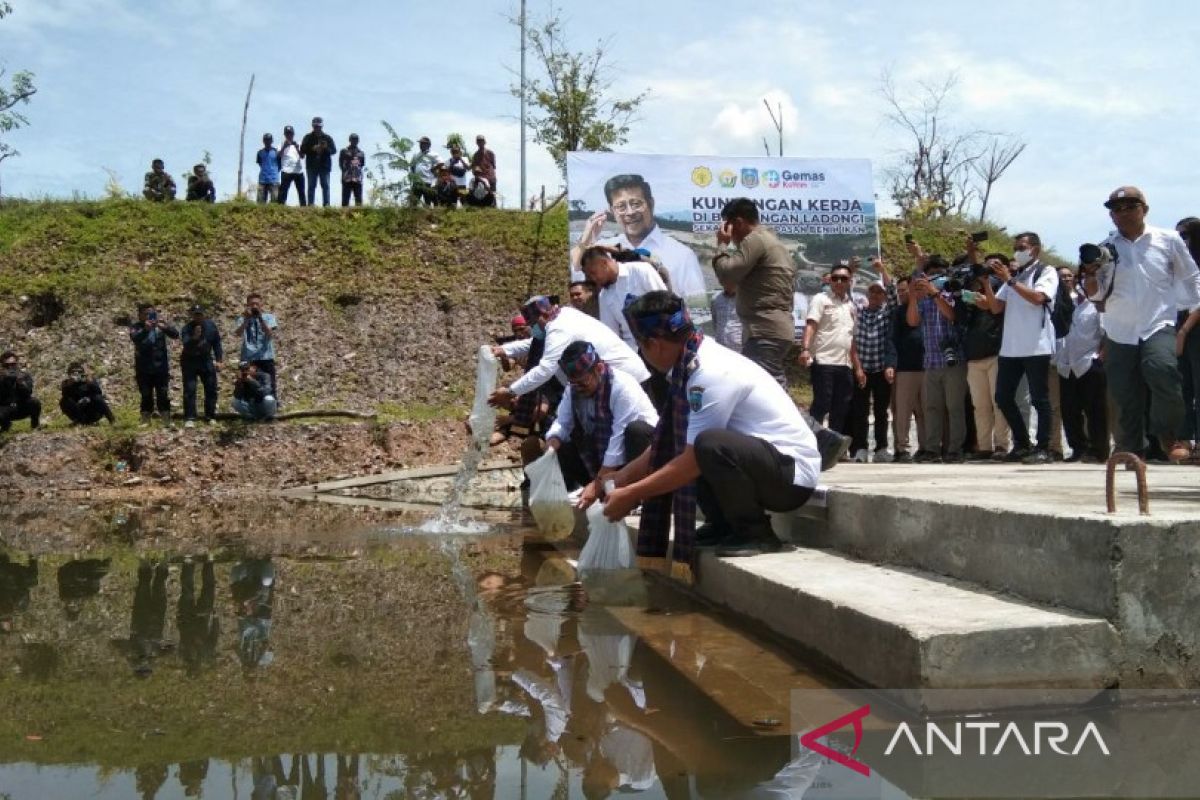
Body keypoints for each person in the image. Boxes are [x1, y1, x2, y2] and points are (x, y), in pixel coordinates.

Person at [600, 291, 821, 560]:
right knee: (695, 440)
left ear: (655, 344)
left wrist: (633, 494)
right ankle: (722, 523)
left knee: (709, 444)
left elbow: (691, 462)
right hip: (764, 463)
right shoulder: (689, 363)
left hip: (790, 477)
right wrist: (622, 478)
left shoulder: (709, 372)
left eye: (641, 346)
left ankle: (755, 532)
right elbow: (666, 444)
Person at [1084, 186, 1200, 463]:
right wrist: (1090, 273)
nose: (1123, 213)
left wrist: (1193, 307)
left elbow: (1191, 276)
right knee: (1124, 393)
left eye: (1130, 206)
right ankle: (1130, 447)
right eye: (1116, 209)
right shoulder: (1106, 249)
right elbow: (1097, 295)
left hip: (1158, 322)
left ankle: (1168, 434)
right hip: (1119, 328)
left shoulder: (1168, 239)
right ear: (1111, 216)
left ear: (1144, 209)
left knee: (1163, 370)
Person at [977, 232, 1059, 464]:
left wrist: (1009, 280)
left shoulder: (1046, 271)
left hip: (1036, 346)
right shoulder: (1016, 275)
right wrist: (986, 283)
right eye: (1015, 247)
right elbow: (995, 308)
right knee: (1002, 397)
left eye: (1021, 247)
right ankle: (1022, 444)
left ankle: (1043, 448)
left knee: (1039, 399)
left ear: (1035, 249)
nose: (1017, 251)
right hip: (1011, 348)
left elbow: (1037, 298)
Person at [488, 295, 649, 412]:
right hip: (607, 380)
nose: (533, 329)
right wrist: (505, 350)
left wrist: (511, 392)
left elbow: (545, 369)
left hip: (626, 380)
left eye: (533, 324)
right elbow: (538, 342)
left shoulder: (559, 328)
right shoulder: (564, 314)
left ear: (543, 315)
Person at [544, 341, 659, 497]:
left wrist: (598, 484)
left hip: (640, 454)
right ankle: (592, 491)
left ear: (599, 368)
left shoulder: (622, 387)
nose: (577, 388)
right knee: (560, 444)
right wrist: (551, 447)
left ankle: (638, 495)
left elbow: (617, 441)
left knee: (635, 431)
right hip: (601, 457)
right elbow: (562, 424)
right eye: (573, 383)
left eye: (583, 382)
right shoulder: (573, 390)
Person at [570, 174, 707, 303]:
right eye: (621, 207)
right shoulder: (604, 250)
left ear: (651, 204)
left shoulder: (682, 255)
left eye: (636, 204)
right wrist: (586, 240)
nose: (630, 212)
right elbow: (577, 277)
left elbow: (698, 308)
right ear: (612, 211)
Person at [712, 197, 796, 386]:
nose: (728, 234)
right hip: (773, 329)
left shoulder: (755, 239)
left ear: (738, 223)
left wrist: (722, 245)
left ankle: (791, 416)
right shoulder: (773, 242)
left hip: (764, 330)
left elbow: (727, 274)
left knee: (765, 390)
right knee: (767, 386)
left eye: (728, 226)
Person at [907, 255, 967, 462]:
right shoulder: (923, 300)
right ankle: (932, 449)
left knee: (955, 407)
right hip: (930, 361)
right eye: (930, 275)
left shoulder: (951, 293)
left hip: (953, 361)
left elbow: (952, 315)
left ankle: (955, 449)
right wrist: (914, 296)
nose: (933, 279)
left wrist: (934, 294)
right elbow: (913, 321)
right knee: (932, 408)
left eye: (937, 275)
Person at [1056, 256, 1109, 462]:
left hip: (1089, 361)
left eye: (1070, 276)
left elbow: (1106, 332)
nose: (1067, 280)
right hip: (1065, 364)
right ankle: (1078, 448)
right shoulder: (1061, 302)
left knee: (1095, 410)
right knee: (1070, 410)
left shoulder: (1096, 302)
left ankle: (1099, 450)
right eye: (1062, 277)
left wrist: (1100, 357)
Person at [962, 250, 1011, 460]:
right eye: (987, 265)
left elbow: (996, 308)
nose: (989, 269)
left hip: (996, 353)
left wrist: (988, 291)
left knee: (998, 403)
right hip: (974, 356)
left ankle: (1001, 445)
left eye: (995, 266)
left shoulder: (1006, 288)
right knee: (980, 406)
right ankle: (984, 446)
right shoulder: (973, 291)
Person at [801, 262, 858, 433]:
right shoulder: (821, 299)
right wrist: (805, 349)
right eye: (835, 278)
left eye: (844, 278)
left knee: (841, 407)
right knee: (822, 403)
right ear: (830, 280)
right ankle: (811, 442)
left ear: (850, 281)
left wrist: (858, 367)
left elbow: (852, 338)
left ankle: (834, 448)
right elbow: (811, 325)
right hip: (824, 361)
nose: (839, 282)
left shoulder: (851, 306)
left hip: (845, 364)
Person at [579, 245, 667, 350]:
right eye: (589, 276)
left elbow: (666, 305)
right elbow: (611, 335)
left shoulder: (641, 271)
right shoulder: (604, 296)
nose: (593, 278)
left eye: (593, 273)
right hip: (633, 352)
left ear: (604, 263)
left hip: (662, 344)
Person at [848, 280, 897, 462]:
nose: (875, 295)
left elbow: (893, 297)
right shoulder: (859, 313)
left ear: (883, 296)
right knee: (859, 411)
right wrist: (858, 368)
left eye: (879, 292)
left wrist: (883, 271)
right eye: (872, 292)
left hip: (881, 369)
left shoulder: (887, 313)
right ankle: (860, 448)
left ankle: (881, 449)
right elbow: (849, 296)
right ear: (868, 294)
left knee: (881, 411)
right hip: (863, 369)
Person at [890, 276, 926, 462]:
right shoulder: (898, 312)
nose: (902, 294)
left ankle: (926, 447)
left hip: (928, 366)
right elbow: (892, 340)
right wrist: (891, 364)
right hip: (905, 368)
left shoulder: (928, 308)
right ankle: (902, 448)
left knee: (925, 411)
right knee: (902, 411)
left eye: (906, 290)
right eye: (900, 291)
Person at [129, 304, 179, 426]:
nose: (148, 316)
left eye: (151, 313)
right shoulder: (136, 327)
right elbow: (134, 338)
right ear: (139, 315)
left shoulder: (160, 326)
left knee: (163, 393)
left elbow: (175, 334)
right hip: (143, 368)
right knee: (146, 394)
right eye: (145, 314)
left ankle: (166, 419)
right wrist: (145, 330)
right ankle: (145, 419)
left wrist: (165, 327)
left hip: (160, 367)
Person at [180, 304, 223, 427]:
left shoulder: (211, 326)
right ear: (192, 315)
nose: (198, 317)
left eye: (200, 314)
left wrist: (219, 359)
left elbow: (217, 343)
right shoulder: (186, 328)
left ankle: (210, 416)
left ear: (204, 314)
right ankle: (190, 417)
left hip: (206, 360)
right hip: (189, 361)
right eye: (195, 314)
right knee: (190, 389)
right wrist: (194, 337)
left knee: (211, 388)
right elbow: (186, 344)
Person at [1178, 217, 1200, 455]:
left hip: (1194, 326)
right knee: (1182, 386)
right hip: (1178, 321)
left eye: (1184, 235)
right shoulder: (1178, 264)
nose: (1181, 240)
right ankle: (1184, 439)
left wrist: (1184, 331)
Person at [234, 293, 280, 401]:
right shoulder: (242, 318)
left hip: (265, 357)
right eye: (251, 304)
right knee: (249, 385)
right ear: (247, 305)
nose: (254, 306)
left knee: (270, 385)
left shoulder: (269, 317)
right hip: (249, 359)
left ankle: (271, 408)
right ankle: (250, 409)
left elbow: (269, 334)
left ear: (261, 305)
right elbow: (238, 333)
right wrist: (246, 319)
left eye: (256, 304)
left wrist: (260, 318)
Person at [300, 116, 336, 207]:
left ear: (322, 126)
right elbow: (302, 149)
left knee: (325, 185)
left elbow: (334, 150)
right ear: (312, 126)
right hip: (312, 166)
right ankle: (311, 204)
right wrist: (312, 148)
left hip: (324, 166)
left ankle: (326, 204)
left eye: (319, 126)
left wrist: (326, 148)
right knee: (311, 185)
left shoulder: (327, 138)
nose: (317, 128)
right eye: (315, 126)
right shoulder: (307, 137)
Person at [0, 351, 40, 432]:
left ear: (17, 364)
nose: (10, 367)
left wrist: (20, 383)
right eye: (7, 365)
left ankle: (35, 424)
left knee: (35, 402)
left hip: (21, 407)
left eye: (13, 364)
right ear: (2, 366)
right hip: (5, 409)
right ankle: (5, 426)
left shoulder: (24, 375)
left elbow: (28, 393)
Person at [277, 125, 306, 206]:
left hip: (298, 171)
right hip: (286, 171)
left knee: (301, 192)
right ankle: (280, 207)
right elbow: (278, 155)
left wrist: (297, 148)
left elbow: (302, 156)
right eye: (287, 134)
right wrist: (284, 147)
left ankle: (304, 208)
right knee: (283, 191)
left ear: (293, 134)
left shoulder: (299, 143)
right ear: (285, 135)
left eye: (290, 133)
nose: (289, 135)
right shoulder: (281, 144)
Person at [711, 281, 743, 352]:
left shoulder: (744, 299)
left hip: (739, 347)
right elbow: (714, 320)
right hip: (720, 345)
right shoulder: (715, 299)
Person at [409, 135, 439, 206]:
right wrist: (414, 176)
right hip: (417, 182)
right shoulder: (416, 154)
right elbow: (412, 166)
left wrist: (433, 169)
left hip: (427, 182)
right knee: (413, 202)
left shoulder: (433, 154)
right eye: (420, 143)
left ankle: (427, 216)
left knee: (427, 203)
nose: (421, 145)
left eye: (423, 143)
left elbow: (441, 163)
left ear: (428, 145)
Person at [339, 133, 365, 207]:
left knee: (358, 199)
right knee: (345, 199)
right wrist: (345, 172)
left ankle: (359, 215)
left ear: (358, 141)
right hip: (347, 178)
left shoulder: (361, 153)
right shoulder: (344, 151)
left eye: (356, 139)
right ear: (349, 140)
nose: (354, 141)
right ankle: (344, 215)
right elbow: (340, 163)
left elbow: (362, 164)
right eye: (353, 139)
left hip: (357, 178)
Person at [255, 133, 281, 204]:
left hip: (274, 179)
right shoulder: (260, 153)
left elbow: (280, 165)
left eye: (269, 140)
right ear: (263, 141)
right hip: (262, 180)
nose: (267, 142)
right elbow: (260, 164)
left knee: (275, 201)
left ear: (272, 141)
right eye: (266, 140)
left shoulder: (276, 152)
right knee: (260, 202)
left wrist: (274, 171)